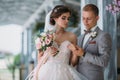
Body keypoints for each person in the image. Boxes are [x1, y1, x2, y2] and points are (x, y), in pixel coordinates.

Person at [26, 5, 88, 80]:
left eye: (68, 18)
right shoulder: (45, 36)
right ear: (55, 18)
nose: (67, 21)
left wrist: (75, 53)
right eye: (63, 18)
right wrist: (47, 53)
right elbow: (40, 59)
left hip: (65, 72)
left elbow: (73, 63)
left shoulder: (72, 37)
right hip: (46, 72)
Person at [68, 4, 112, 80]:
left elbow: (104, 61)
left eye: (89, 19)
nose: (85, 22)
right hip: (77, 77)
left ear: (97, 18)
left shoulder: (103, 36)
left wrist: (84, 54)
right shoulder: (80, 37)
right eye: (83, 18)